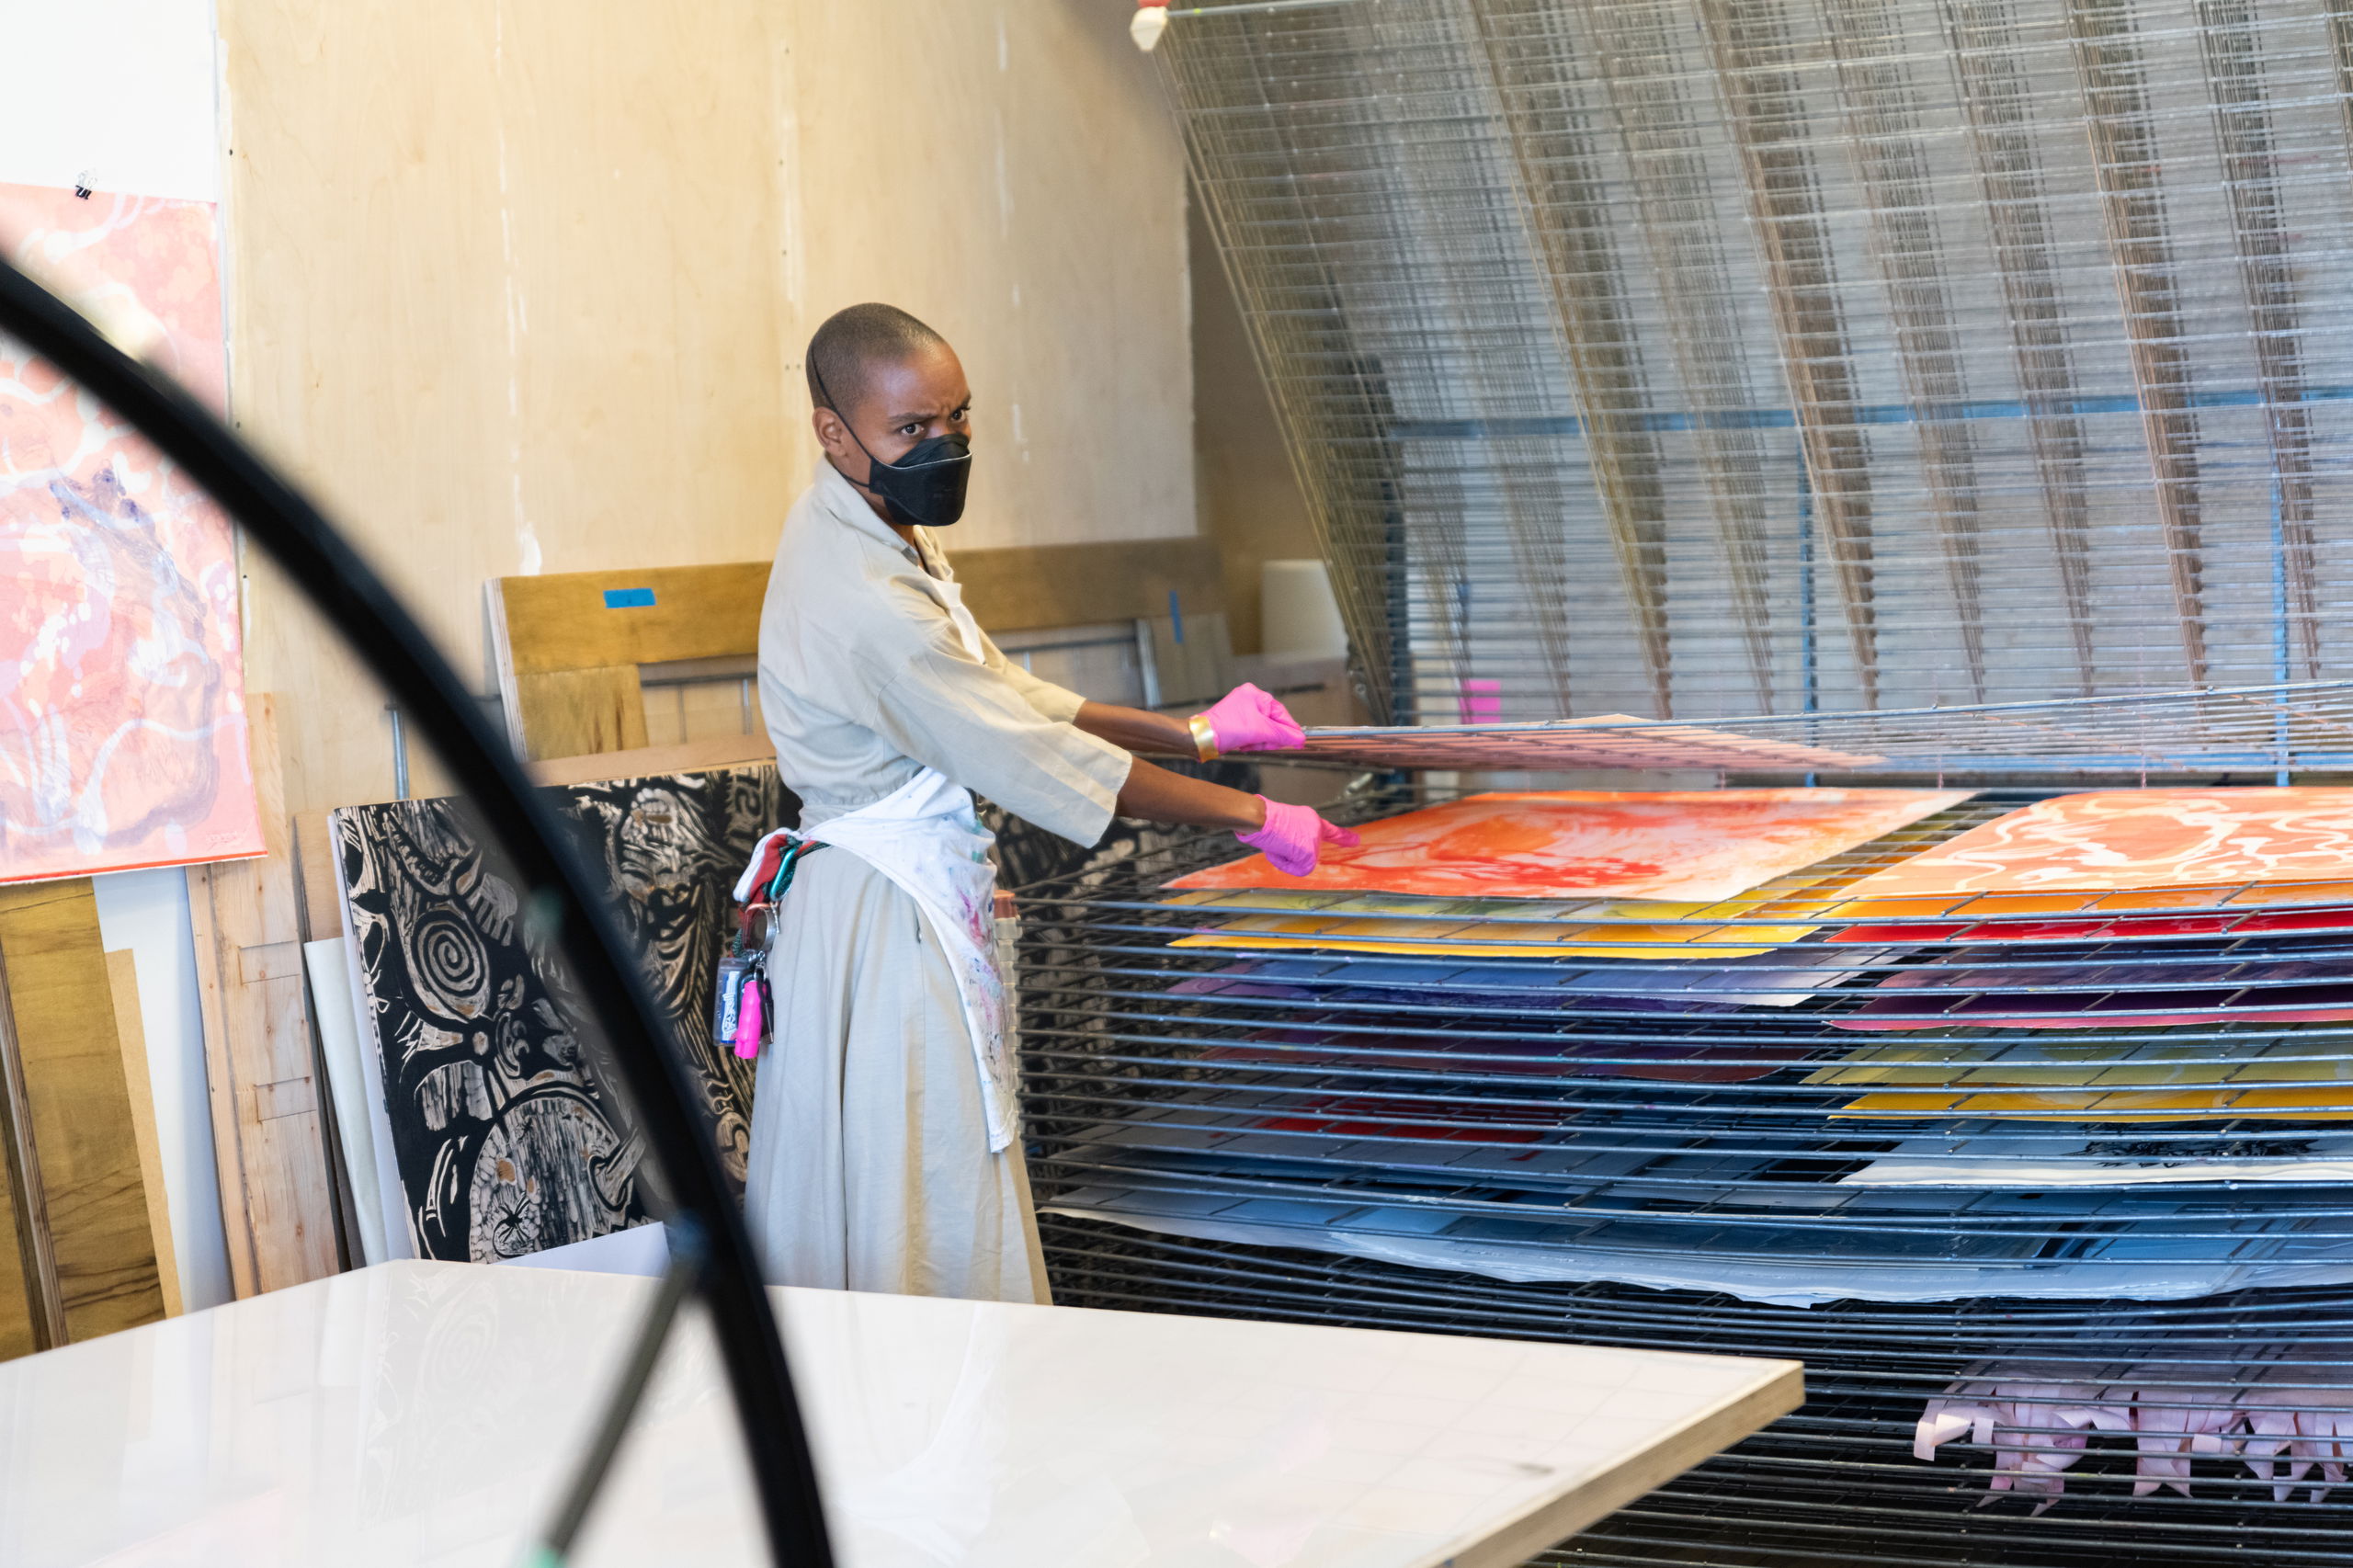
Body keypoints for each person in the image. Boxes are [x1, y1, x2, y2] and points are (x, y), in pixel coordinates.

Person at [741, 301, 1358, 1302]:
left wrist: (1194, 732)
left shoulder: (864, 520)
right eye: (912, 430)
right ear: (832, 429)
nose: (944, 445)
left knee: (931, 1162)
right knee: (922, 1173)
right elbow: (1026, 751)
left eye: (958, 419)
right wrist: (1252, 815)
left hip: (904, 890)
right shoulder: (862, 599)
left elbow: (999, 688)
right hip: (883, 920)